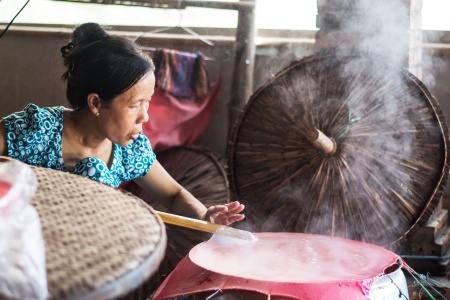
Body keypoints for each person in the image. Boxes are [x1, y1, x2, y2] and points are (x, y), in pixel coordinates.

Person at [0, 22, 245, 226]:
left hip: (90, 259)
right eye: (135, 104)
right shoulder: (36, 131)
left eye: (147, 102)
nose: (145, 116)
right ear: (96, 103)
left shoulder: (130, 150)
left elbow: (174, 194)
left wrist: (204, 215)